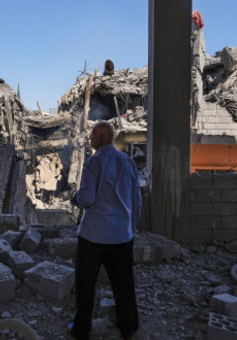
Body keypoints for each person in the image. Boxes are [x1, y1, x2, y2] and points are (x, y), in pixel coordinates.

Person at [68, 121, 141, 340]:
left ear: (100, 137)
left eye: (92, 135)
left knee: (85, 285)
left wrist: (74, 196)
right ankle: (128, 327)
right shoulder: (128, 162)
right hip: (121, 236)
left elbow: (87, 198)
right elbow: (136, 200)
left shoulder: (94, 162)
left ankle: (81, 330)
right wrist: (131, 228)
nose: (89, 138)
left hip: (93, 237)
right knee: (124, 284)